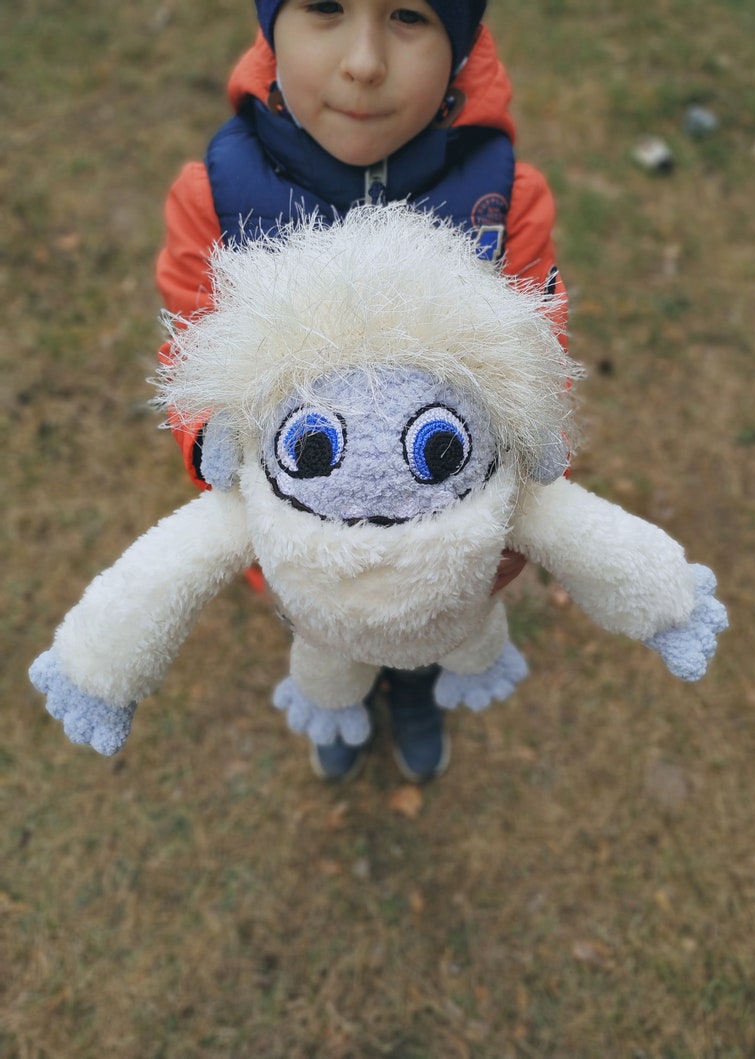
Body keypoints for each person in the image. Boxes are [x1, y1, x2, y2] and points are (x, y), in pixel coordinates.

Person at [156, 0, 568, 783]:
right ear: (271, 24)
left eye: (410, 16)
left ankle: (415, 690)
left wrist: (524, 512)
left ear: (463, 39)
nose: (365, 60)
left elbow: (537, 365)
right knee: (329, 631)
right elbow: (190, 348)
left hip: (441, 546)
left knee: (423, 627)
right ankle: (335, 700)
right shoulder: (218, 195)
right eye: (324, 9)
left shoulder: (503, 202)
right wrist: (213, 447)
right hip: (303, 535)